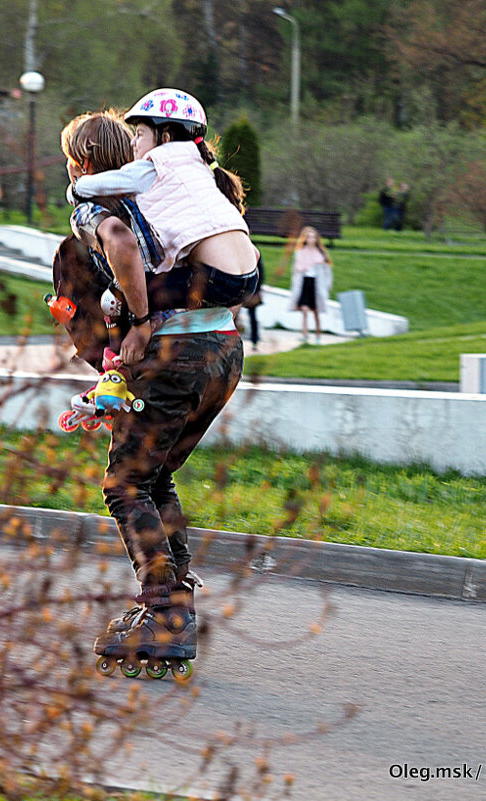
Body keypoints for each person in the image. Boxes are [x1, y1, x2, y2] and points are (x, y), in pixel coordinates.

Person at [57, 98, 247, 679]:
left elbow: (109, 264)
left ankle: (164, 612)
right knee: (154, 475)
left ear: (82, 163)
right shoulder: (173, 193)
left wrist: (131, 335)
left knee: (126, 482)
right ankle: (174, 599)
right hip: (224, 350)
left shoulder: (95, 211)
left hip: (172, 359)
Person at [68, 88, 261, 340]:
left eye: (139, 134)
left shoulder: (156, 166)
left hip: (218, 280)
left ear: (165, 138)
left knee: (122, 295)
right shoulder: (200, 171)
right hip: (248, 278)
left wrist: (76, 189)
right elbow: (253, 253)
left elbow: (109, 182)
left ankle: (127, 350)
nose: (132, 143)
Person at [287, 225, 333, 344]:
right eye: (308, 237)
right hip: (304, 283)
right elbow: (296, 270)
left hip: (316, 284)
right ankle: (305, 334)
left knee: (316, 311)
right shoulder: (300, 253)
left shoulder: (321, 254)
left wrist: (326, 287)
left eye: (313, 237)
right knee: (305, 310)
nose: (311, 239)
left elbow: (327, 273)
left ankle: (318, 335)